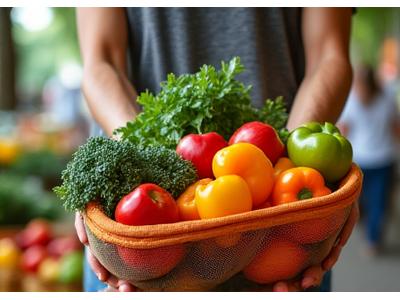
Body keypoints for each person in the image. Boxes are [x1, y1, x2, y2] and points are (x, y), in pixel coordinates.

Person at [75, 7, 358, 292]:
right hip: (138, 226)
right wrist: (138, 163)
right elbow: (102, 62)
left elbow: (328, 54)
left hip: (280, 213)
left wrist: (302, 163)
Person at [338, 64, 400, 255]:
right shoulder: (354, 102)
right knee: (366, 201)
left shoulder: (385, 100)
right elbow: (343, 131)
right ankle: (370, 230)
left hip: (380, 160)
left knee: (378, 201)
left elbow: (395, 128)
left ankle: (373, 239)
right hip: (363, 161)